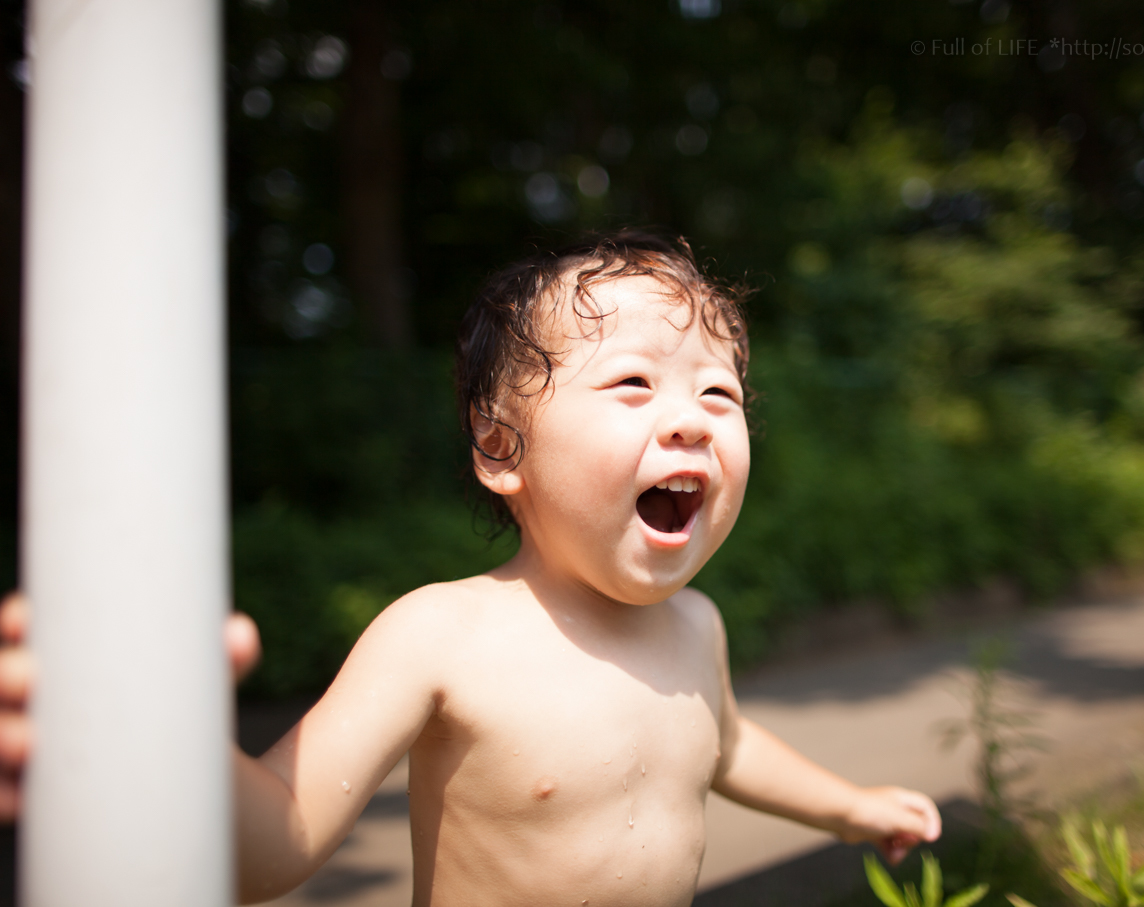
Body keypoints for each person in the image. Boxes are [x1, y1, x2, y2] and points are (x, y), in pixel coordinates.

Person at [0, 230, 940, 906]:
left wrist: (851, 806)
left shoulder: (696, 625)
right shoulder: (442, 635)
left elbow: (726, 746)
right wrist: (164, 738)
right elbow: (273, 847)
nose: (691, 416)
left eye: (718, 392)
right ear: (502, 450)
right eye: (633, 383)